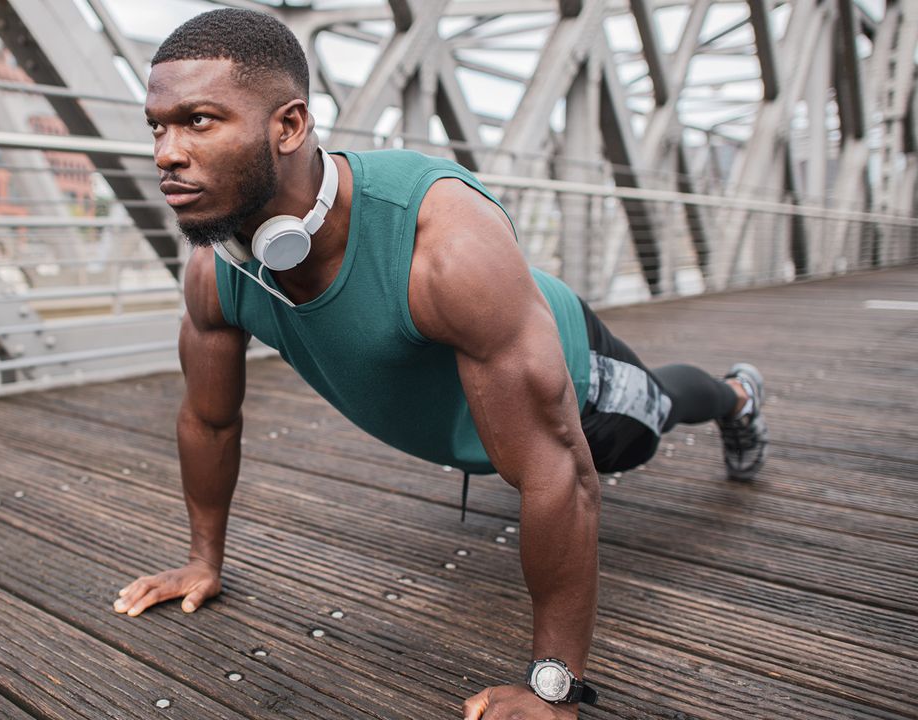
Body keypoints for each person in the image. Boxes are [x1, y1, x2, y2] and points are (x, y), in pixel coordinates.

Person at [111, 9, 769, 719]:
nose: (166, 154)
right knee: (522, 448)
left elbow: (560, 473)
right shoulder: (218, 270)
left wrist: (555, 686)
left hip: (577, 377)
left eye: (199, 121)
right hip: (484, 408)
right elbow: (208, 422)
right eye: (157, 126)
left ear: (290, 126)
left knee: (656, 416)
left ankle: (739, 396)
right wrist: (203, 560)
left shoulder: (442, 245)